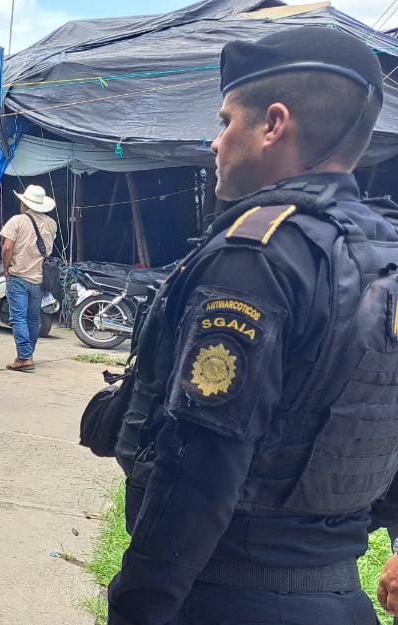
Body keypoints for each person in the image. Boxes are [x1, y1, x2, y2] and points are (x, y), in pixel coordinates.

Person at [106, 27, 398, 625]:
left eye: (225, 120)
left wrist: (138, 607)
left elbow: (202, 458)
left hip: (225, 594)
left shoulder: (257, 256)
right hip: (340, 599)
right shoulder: (383, 254)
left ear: (273, 124)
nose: (215, 143)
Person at [0, 185, 57, 372]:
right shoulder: (51, 224)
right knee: (33, 318)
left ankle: (24, 357)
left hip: (18, 276)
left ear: (25, 203)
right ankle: (28, 354)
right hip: (39, 278)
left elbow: (7, 247)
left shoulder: (17, 221)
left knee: (18, 318)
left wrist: (6, 268)